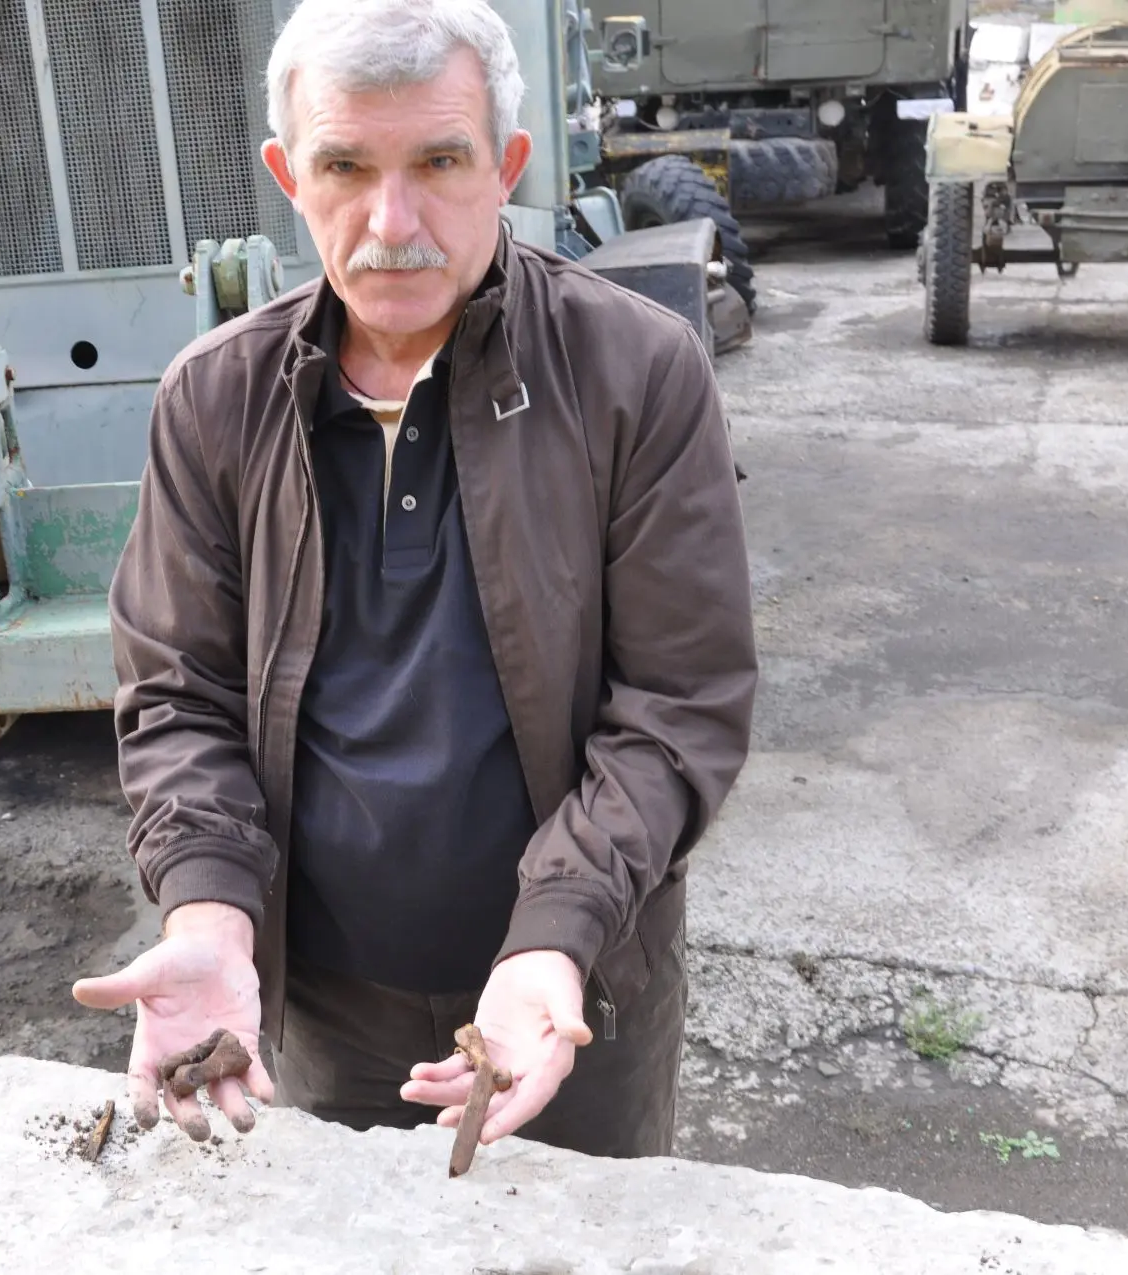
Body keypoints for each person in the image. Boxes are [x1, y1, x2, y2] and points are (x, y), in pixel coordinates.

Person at [73, 0, 758, 1159]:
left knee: (578, 1235)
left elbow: (678, 704)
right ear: (290, 178)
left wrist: (555, 935)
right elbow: (180, 694)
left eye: (440, 162)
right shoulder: (215, 398)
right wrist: (208, 909)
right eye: (345, 167)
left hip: (573, 996)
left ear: (507, 167)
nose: (393, 224)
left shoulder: (639, 374)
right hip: (319, 1006)